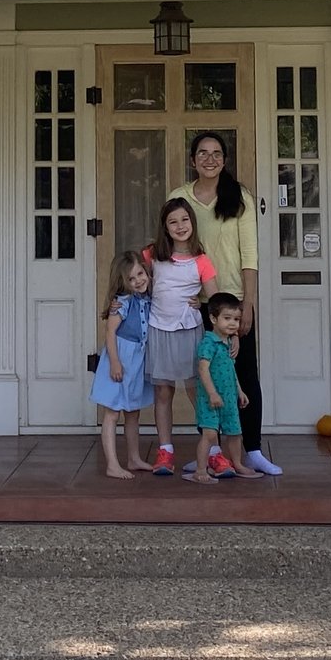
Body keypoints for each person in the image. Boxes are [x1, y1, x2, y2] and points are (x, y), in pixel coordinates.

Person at [176, 133, 279, 474]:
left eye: (217, 153)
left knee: (243, 375)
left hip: (232, 302)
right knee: (203, 378)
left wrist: (248, 304)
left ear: (224, 159)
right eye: (203, 153)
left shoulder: (240, 197)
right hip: (194, 304)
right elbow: (171, 248)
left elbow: (249, 255)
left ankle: (253, 450)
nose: (210, 159)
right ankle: (213, 452)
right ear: (193, 160)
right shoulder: (179, 198)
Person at [141, 197, 216, 478]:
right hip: (159, 329)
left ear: (192, 223)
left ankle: (214, 452)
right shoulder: (151, 255)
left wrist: (203, 302)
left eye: (185, 220)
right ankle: (165, 450)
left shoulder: (201, 260)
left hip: (190, 330)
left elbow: (216, 300)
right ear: (165, 227)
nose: (180, 226)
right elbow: (136, 282)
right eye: (173, 221)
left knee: (198, 390)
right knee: (163, 391)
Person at [90, 249, 154, 479]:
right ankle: (112, 464)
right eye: (131, 278)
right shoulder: (122, 303)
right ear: (122, 281)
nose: (138, 281)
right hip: (120, 359)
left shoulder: (148, 299)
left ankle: (134, 458)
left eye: (140, 274)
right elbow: (110, 333)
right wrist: (115, 363)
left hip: (137, 361)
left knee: (133, 412)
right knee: (112, 411)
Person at [192, 291, 258, 483]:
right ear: (213, 319)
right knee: (210, 434)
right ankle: (200, 469)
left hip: (229, 397)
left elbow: (231, 369)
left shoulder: (228, 343)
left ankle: (237, 463)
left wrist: (240, 391)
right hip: (210, 399)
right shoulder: (208, 343)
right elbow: (203, 369)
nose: (232, 323)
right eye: (227, 318)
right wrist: (212, 393)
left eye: (236, 319)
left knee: (235, 432)